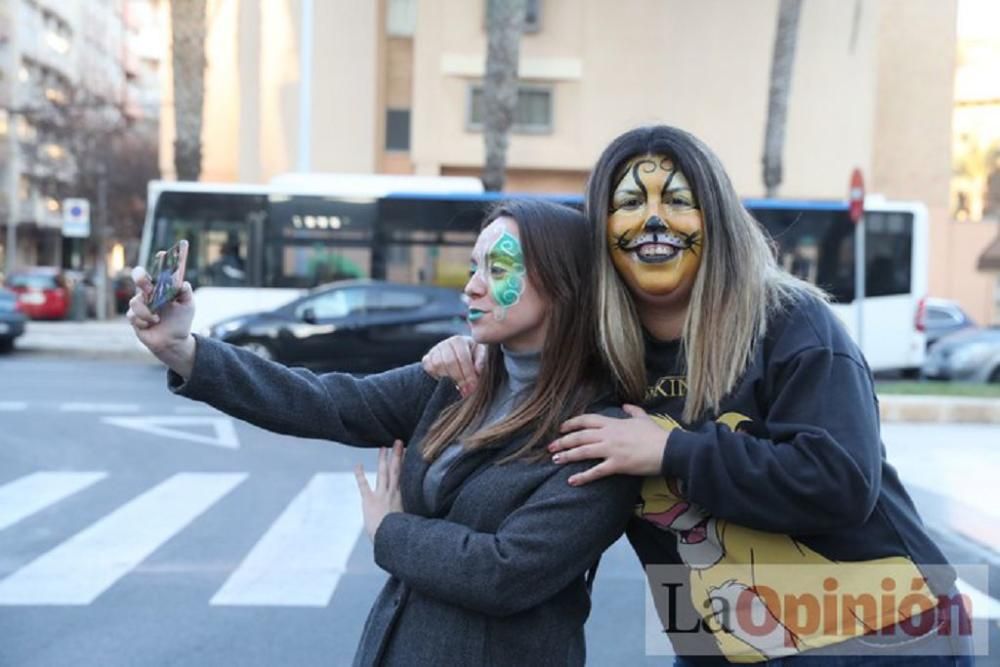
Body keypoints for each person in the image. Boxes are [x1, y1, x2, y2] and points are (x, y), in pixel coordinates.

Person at [422, 126, 973, 664]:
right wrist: (472, 352)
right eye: (631, 202)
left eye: (679, 200)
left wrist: (670, 450)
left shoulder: (788, 322)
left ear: (717, 218)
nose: (654, 219)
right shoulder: (603, 358)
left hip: (883, 634)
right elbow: (522, 364)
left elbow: (842, 480)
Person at [127, 200, 639, 667]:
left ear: (564, 284)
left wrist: (391, 531)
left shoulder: (601, 434)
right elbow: (326, 402)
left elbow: (505, 573)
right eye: (473, 268)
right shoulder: (459, 380)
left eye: (497, 269)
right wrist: (185, 351)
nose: (472, 286)